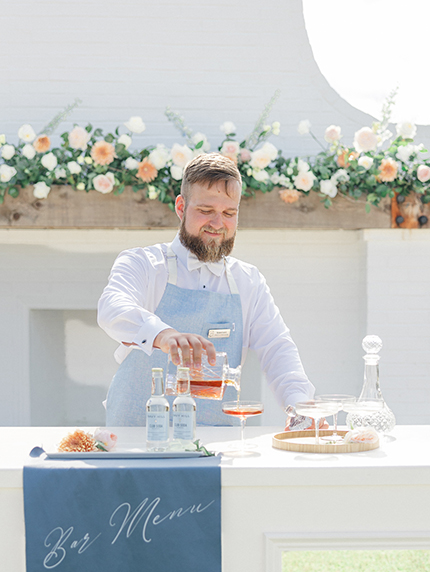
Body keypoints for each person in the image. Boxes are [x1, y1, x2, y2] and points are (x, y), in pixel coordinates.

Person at [97, 152, 315, 426]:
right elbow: (112, 308)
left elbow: (277, 348)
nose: (217, 223)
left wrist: (300, 409)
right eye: (206, 211)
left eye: (228, 213)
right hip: (136, 438)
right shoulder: (142, 263)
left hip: (217, 445)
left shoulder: (249, 281)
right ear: (181, 207)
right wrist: (163, 335)